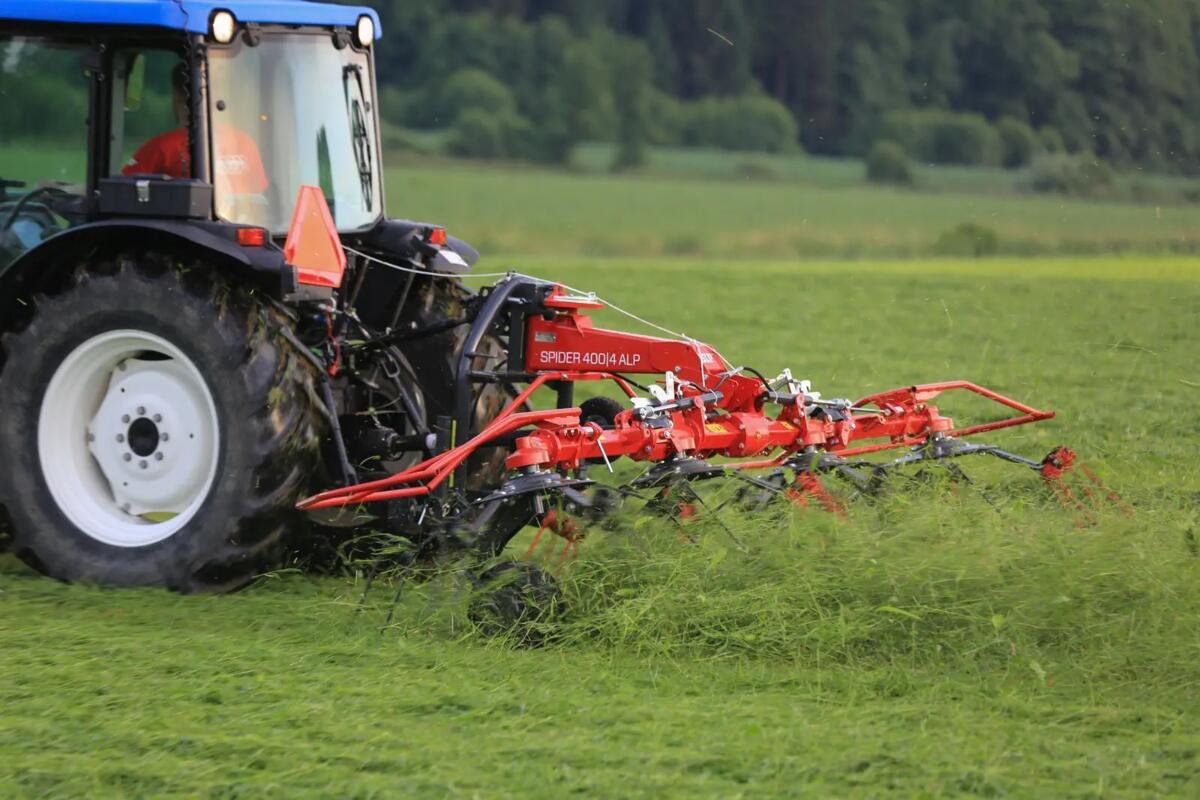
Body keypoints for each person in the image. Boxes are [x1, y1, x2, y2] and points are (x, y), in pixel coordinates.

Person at [123, 63, 269, 197]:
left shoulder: (162, 148)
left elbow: (124, 191)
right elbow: (259, 197)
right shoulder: (243, 142)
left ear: (177, 96)